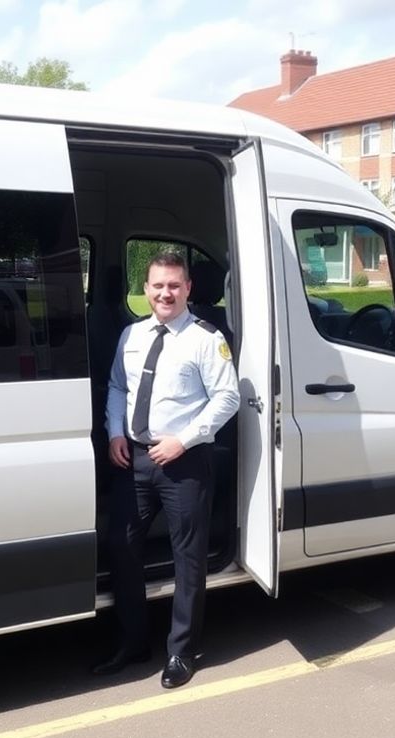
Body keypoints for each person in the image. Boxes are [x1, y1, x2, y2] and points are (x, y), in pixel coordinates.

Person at [93, 250, 240, 689]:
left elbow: (227, 397)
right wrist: (115, 431)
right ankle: (135, 642)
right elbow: (119, 385)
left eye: (174, 285)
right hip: (135, 458)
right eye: (158, 285)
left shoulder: (205, 338)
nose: (165, 293)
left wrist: (185, 440)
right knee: (121, 545)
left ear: (188, 289)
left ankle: (182, 651)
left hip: (184, 463)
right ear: (146, 289)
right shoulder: (132, 335)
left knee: (188, 560)